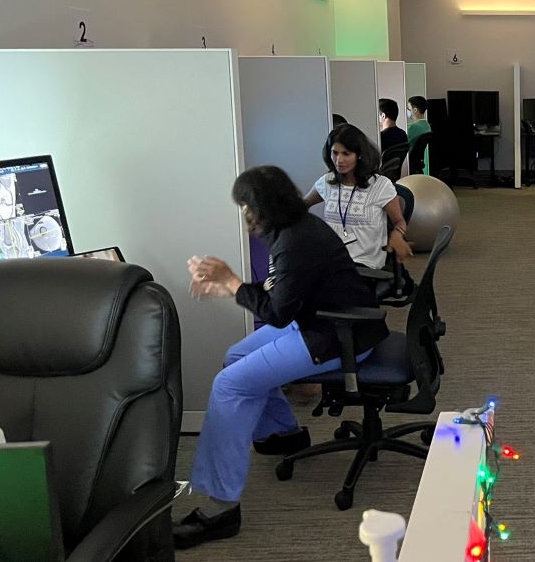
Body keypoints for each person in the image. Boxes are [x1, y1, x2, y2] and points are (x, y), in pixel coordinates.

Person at [173, 166, 389, 549]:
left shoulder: (296, 241)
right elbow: (282, 292)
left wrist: (233, 282)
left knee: (230, 383)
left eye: (245, 206)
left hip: (339, 335)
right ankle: (282, 433)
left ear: (260, 207)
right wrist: (231, 288)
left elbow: (276, 312)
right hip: (319, 322)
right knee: (234, 356)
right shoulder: (292, 230)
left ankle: (221, 510)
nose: (244, 215)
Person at [304, 123, 412, 270]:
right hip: (332, 260)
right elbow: (302, 205)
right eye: (335, 153)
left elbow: (399, 221)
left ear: (359, 155)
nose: (339, 160)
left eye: (346, 154)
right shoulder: (327, 182)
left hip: (364, 266)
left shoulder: (380, 185)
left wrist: (397, 235)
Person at [406, 96, 431, 175]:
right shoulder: (427, 125)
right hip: (418, 163)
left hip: (409, 162)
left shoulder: (413, 127)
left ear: (415, 110)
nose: (407, 111)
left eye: (408, 108)